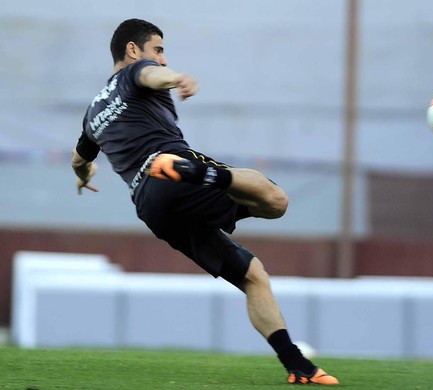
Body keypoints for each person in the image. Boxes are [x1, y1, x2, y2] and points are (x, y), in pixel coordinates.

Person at [71, 18, 338, 386]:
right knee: (276, 200)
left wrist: (85, 180)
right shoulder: (136, 73)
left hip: (151, 207)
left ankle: (300, 367)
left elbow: (79, 160)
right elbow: (151, 76)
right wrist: (177, 78)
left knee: (252, 276)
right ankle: (203, 174)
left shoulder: (92, 114)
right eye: (159, 50)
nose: (163, 59)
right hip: (172, 172)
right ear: (133, 50)